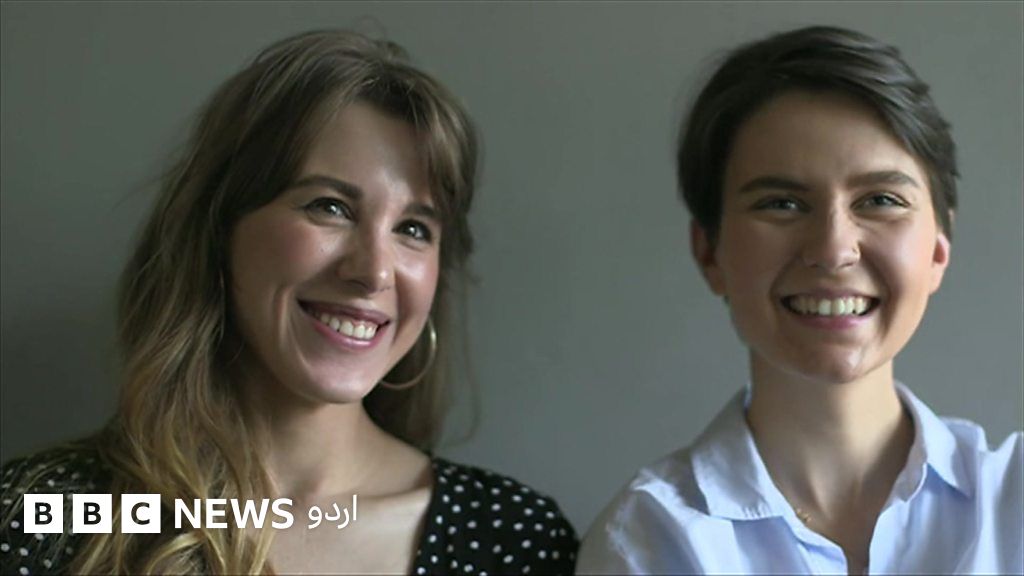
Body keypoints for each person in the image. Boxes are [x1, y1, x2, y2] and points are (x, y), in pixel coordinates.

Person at [0, 30, 577, 575]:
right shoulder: (49, 514)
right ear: (220, 230)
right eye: (330, 207)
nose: (374, 272)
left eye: (413, 229)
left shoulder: (514, 542)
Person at [577, 25, 1022, 575]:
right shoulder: (650, 536)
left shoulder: (1014, 499)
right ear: (710, 252)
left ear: (937, 248)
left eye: (880, 200)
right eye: (782, 203)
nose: (833, 250)